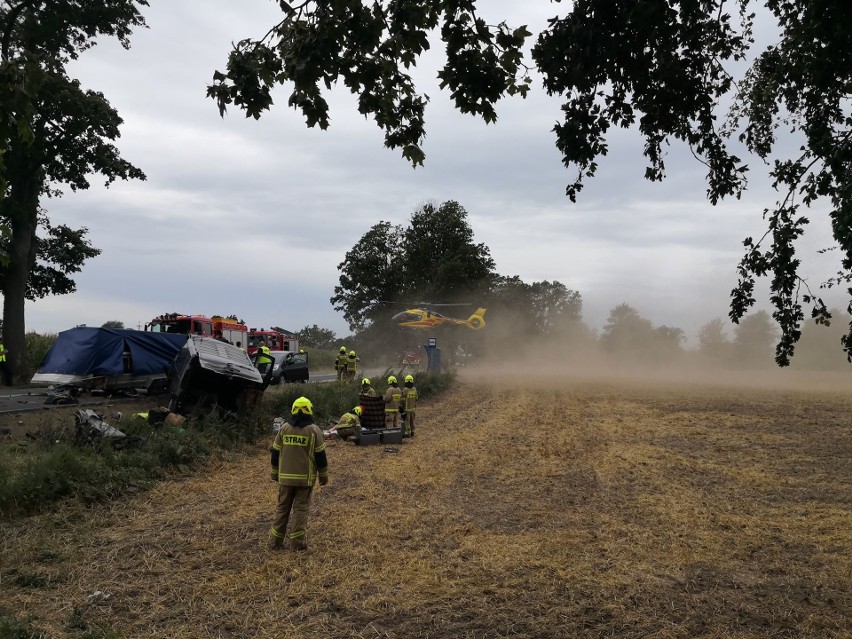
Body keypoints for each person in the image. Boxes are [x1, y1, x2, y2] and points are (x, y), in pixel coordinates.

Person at [268, 397, 329, 551]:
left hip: (285, 480)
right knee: (300, 510)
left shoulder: (284, 429)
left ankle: (275, 542)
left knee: (282, 508)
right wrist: (323, 476)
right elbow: (321, 456)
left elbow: (275, 453)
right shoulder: (314, 430)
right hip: (304, 480)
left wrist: (275, 474)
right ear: (310, 410)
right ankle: (297, 543)